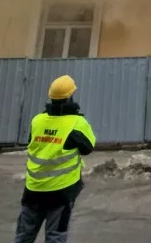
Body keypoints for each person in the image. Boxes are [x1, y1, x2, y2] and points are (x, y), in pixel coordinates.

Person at [14, 75, 97, 243]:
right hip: (61, 192)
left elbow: (32, 142)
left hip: (34, 189)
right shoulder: (77, 123)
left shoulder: (37, 120)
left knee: (23, 236)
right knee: (55, 237)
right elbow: (88, 148)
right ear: (70, 96)